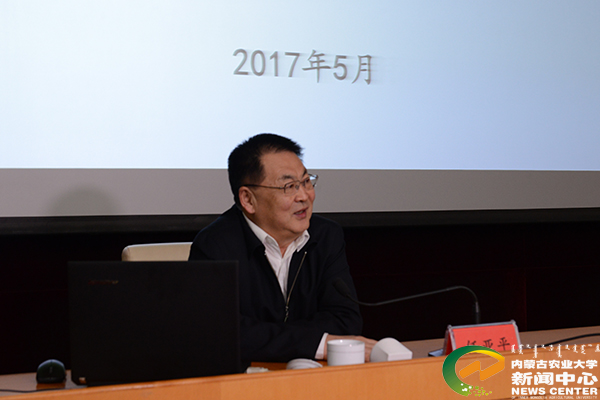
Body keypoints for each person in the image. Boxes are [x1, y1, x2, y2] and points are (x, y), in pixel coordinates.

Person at [189, 133, 376, 363]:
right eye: (289, 186)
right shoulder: (215, 246)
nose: (304, 196)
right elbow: (223, 333)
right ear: (248, 200)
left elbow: (346, 321)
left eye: (306, 182)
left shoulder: (326, 236)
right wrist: (314, 343)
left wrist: (272, 338)